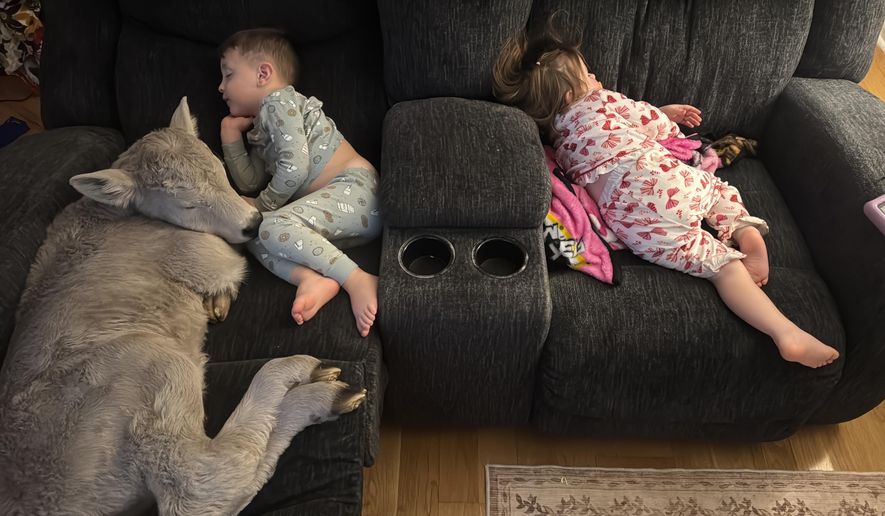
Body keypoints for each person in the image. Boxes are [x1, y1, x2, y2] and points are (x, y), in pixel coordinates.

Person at [492, 30, 839, 368]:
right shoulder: (601, 100)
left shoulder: (560, 144)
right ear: (571, 96)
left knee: (719, 267)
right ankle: (744, 232)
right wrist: (668, 116)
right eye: (589, 75)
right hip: (665, 182)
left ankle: (784, 332)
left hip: (633, 223)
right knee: (717, 191)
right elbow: (654, 124)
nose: (597, 77)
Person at [218, 28, 381, 337]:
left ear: (263, 73)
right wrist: (231, 137)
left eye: (228, 75)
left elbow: (294, 168)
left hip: (359, 192)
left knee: (266, 223)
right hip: (335, 217)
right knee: (250, 232)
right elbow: (250, 180)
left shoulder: (279, 103)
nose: (221, 87)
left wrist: (262, 206)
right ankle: (312, 278)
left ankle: (357, 278)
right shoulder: (261, 127)